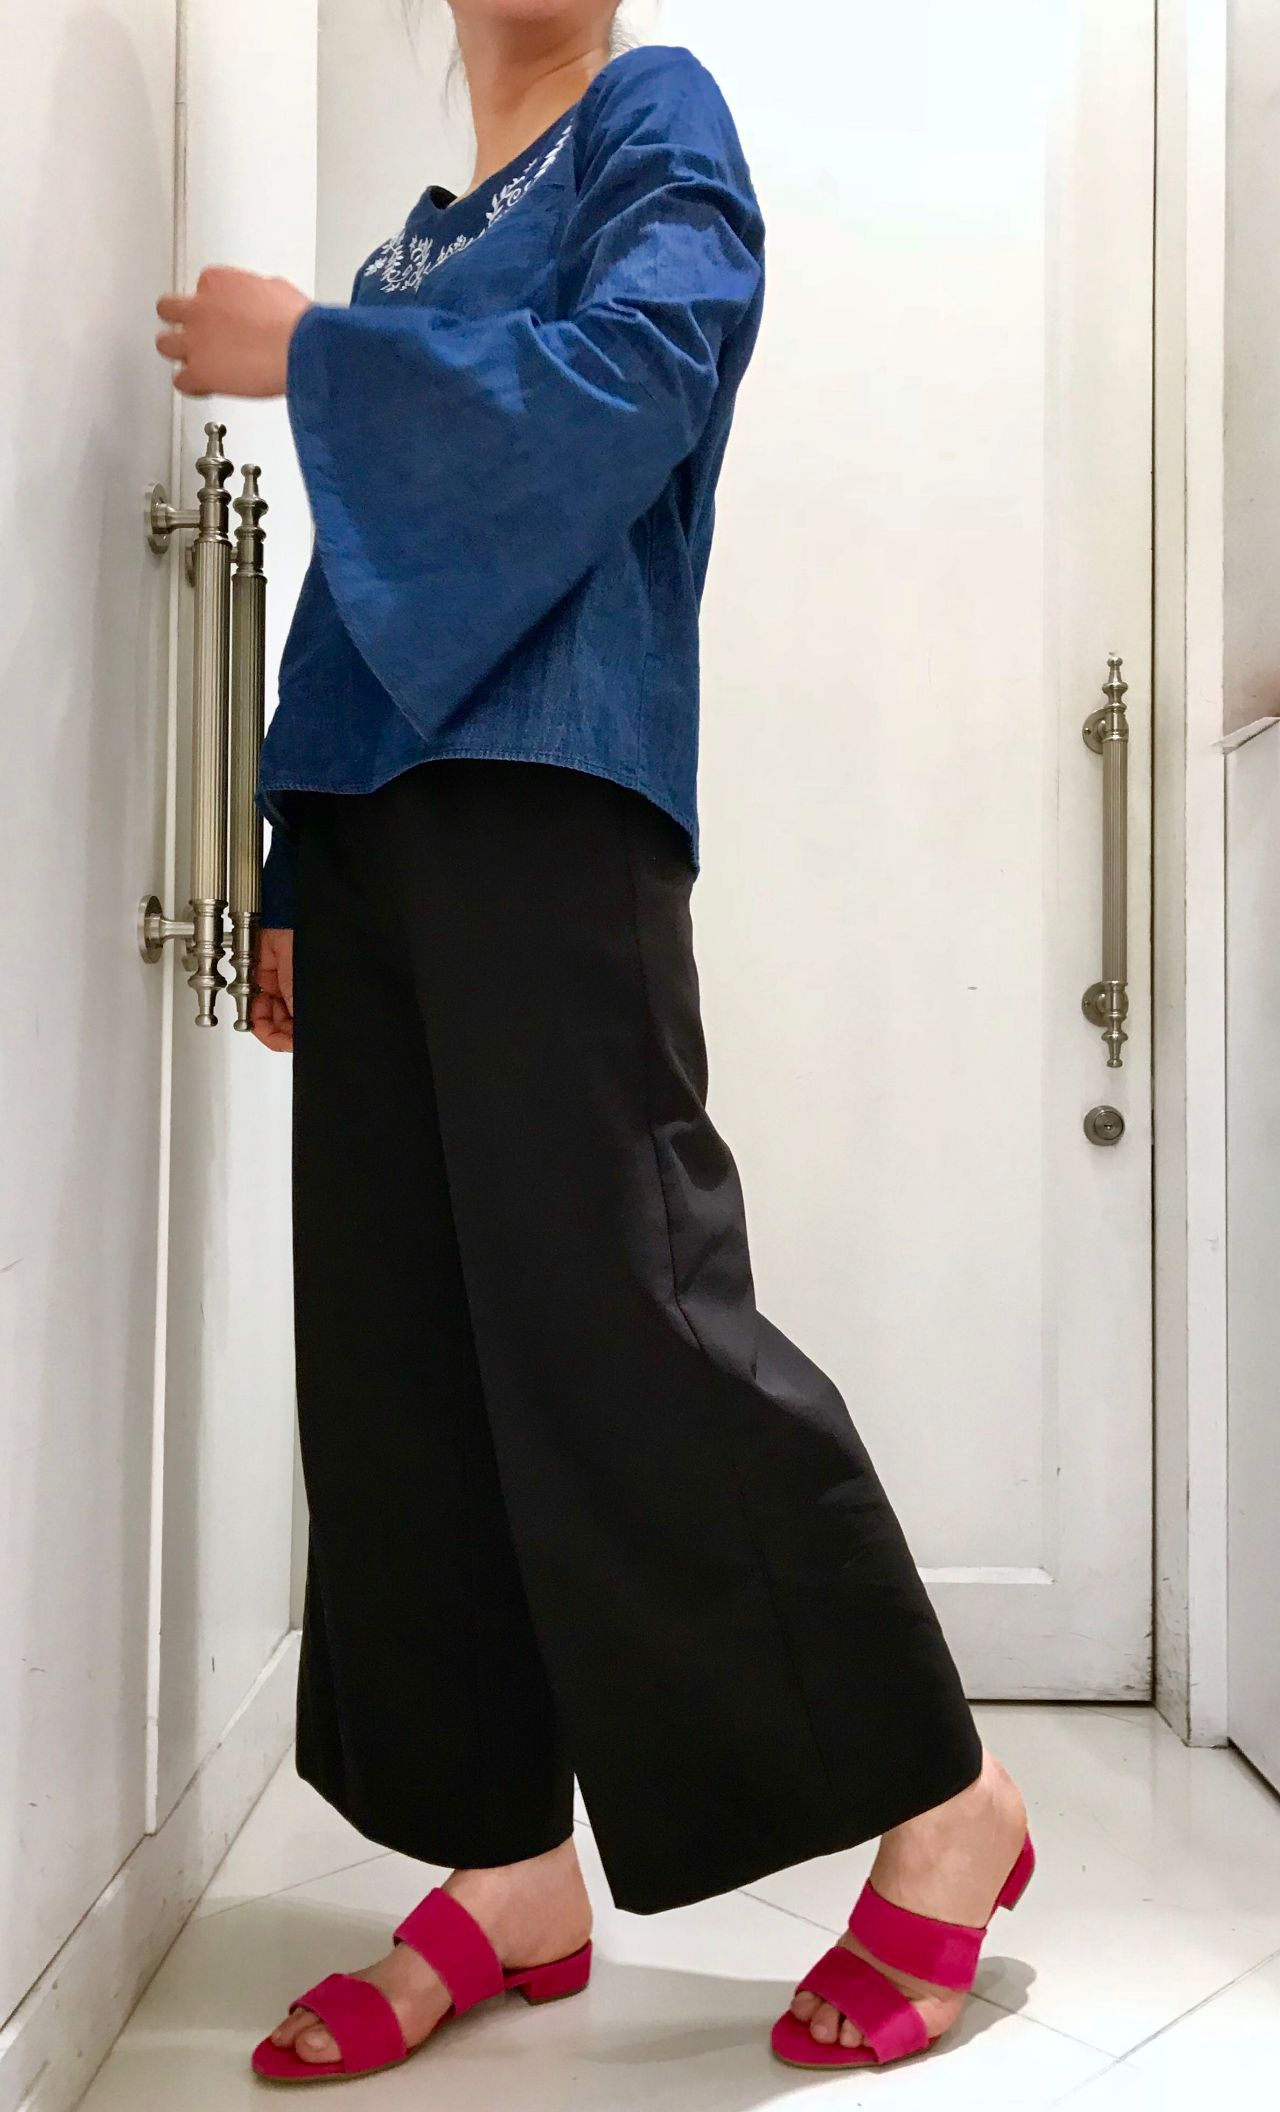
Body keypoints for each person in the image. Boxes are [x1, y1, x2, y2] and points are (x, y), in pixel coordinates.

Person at [155, 0, 1031, 2084]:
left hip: (555, 797)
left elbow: (644, 374)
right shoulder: (418, 238)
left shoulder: (652, 113)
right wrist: (290, 859)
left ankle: (948, 1803)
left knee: (628, 1317)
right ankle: (507, 1869)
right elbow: (355, 594)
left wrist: (319, 359)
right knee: (403, 1356)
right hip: (375, 833)